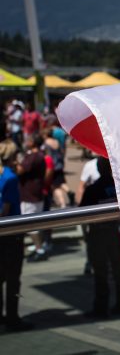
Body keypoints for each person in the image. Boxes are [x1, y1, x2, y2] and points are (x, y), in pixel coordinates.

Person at [80, 157, 120, 318]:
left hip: (98, 234)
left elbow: (82, 213)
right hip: (117, 232)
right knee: (118, 269)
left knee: (100, 271)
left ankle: (101, 307)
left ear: (98, 169)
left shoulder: (93, 189)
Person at [0, 140, 33, 332]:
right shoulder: (10, 178)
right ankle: (12, 318)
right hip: (11, 234)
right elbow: (6, 210)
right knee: (13, 278)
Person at [16, 134, 48, 262]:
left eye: (28, 140)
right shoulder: (38, 155)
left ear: (33, 142)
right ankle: (39, 246)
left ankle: (39, 250)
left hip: (30, 195)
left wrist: (12, 162)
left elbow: (20, 170)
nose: (25, 141)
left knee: (30, 225)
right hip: (35, 193)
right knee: (35, 223)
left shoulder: (34, 156)